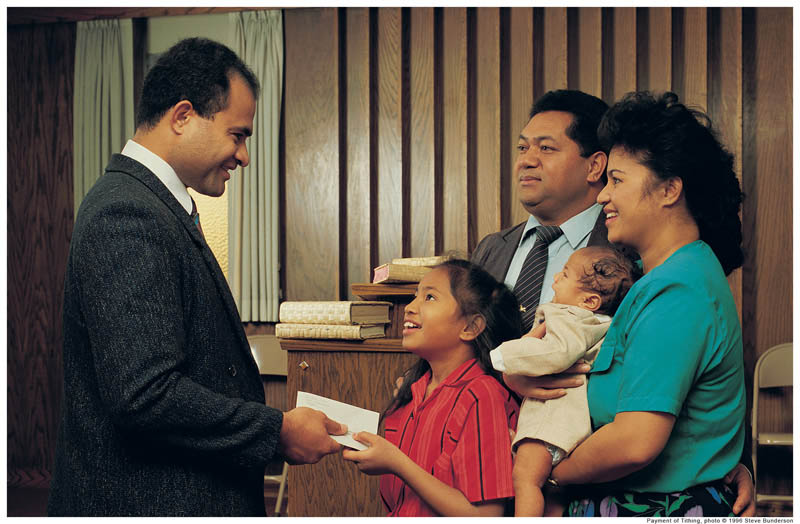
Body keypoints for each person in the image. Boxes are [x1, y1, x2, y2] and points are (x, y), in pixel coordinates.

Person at [48, 38, 345, 517]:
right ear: (183, 116)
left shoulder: (154, 205)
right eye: (237, 135)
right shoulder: (127, 212)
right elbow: (144, 395)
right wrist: (277, 431)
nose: (244, 156)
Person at [473, 89, 755, 516]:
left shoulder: (676, 290)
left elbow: (636, 440)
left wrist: (548, 474)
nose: (604, 195)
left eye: (617, 180)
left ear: (669, 190)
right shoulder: (662, 276)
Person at [342, 260, 523, 516]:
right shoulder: (412, 392)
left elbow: (485, 515)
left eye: (429, 297)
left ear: (471, 327)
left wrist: (395, 462)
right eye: (415, 296)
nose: (410, 308)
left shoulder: (482, 395)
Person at [489, 246, 640, 516]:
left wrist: (505, 355)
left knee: (525, 479)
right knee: (554, 491)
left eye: (566, 274)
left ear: (589, 301)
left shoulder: (568, 317)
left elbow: (556, 353)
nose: (556, 277)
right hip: (573, 427)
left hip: (550, 421)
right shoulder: (598, 323)